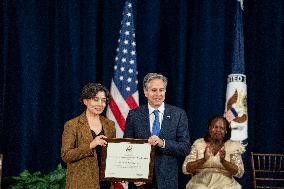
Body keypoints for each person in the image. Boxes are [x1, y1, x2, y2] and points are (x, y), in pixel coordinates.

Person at [124, 73, 191, 189]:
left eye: (161, 90)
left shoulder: (178, 114)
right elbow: (127, 147)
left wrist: (163, 143)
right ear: (145, 92)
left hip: (167, 182)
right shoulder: (134, 115)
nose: (158, 94)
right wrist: (133, 175)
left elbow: (185, 147)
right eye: (154, 90)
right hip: (140, 182)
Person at [61, 83, 116, 189]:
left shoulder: (110, 125)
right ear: (85, 101)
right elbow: (66, 155)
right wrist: (91, 144)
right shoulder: (72, 125)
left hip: (106, 184)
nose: (100, 104)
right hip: (81, 184)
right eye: (96, 99)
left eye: (103, 100)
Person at [182, 115, 245, 189]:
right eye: (215, 127)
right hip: (200, 183)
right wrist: (203, 160)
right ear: (209, 129)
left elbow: (239, 172)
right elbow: (186, 168)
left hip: (226, 184)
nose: (218, 130)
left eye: (221, 128)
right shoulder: (199, 143)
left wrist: (223, 161)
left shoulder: (232, 146)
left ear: (226, 131)